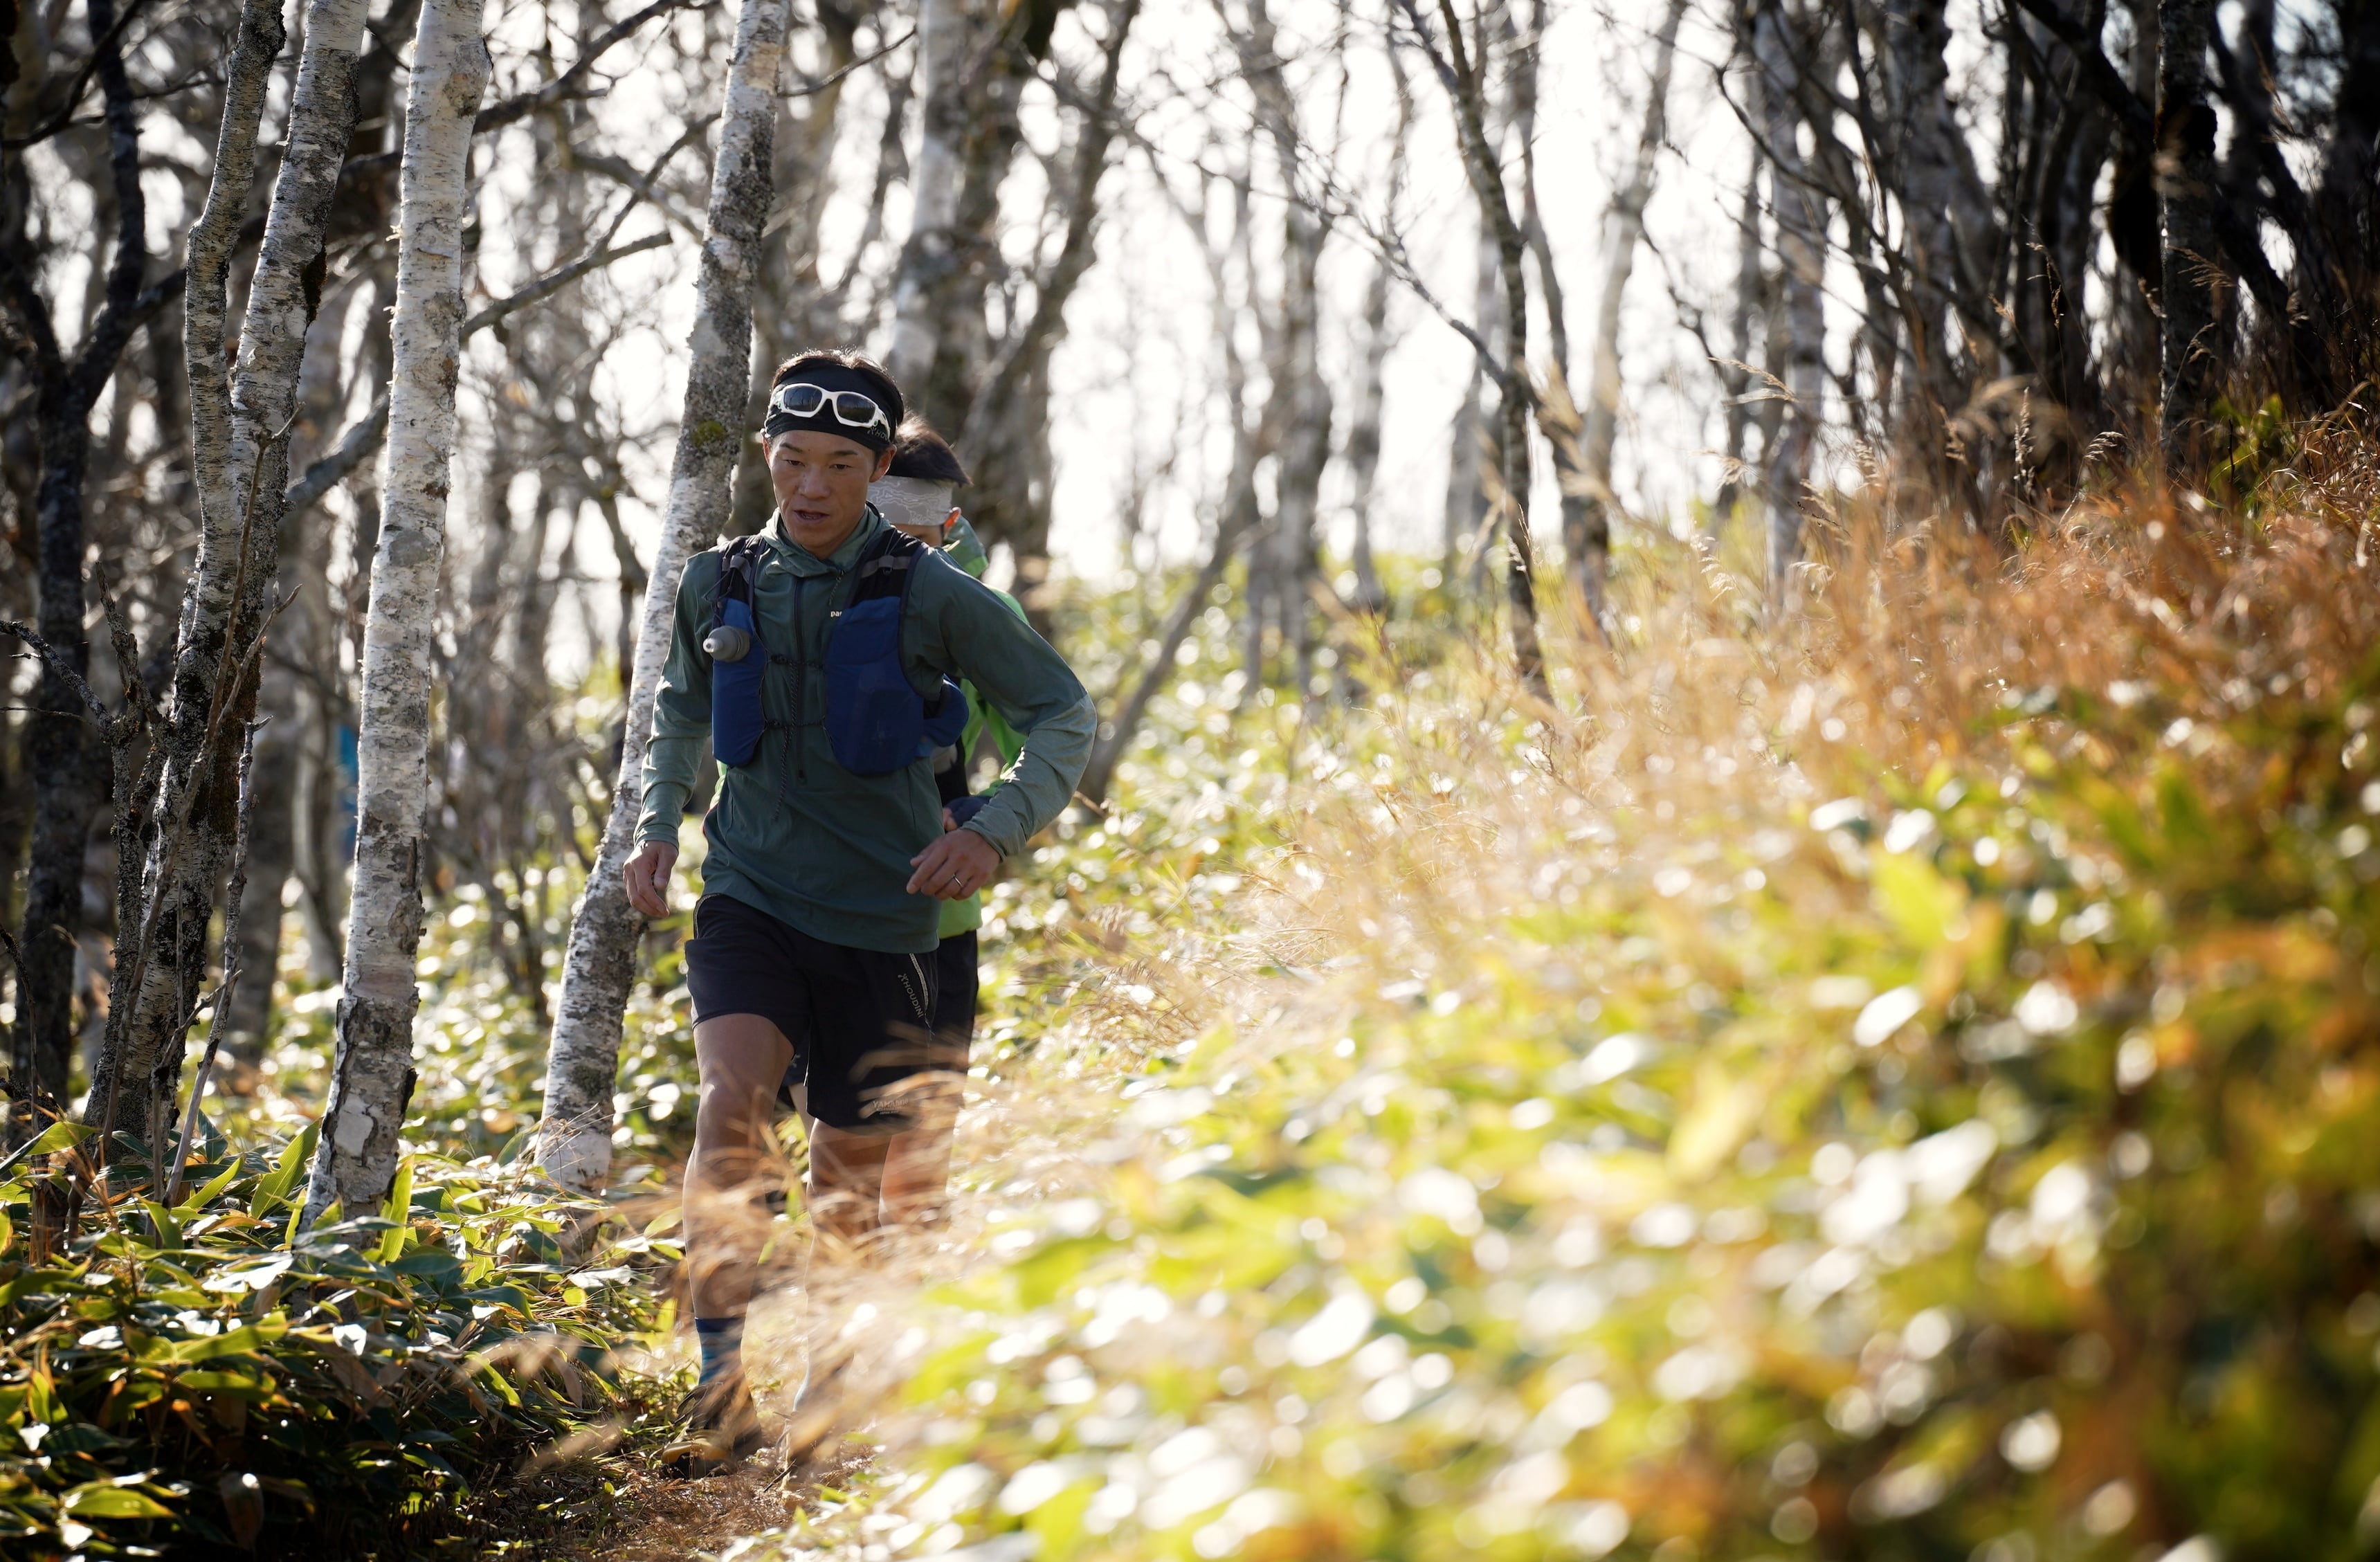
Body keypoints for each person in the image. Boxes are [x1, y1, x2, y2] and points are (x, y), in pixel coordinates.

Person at [624, 350, 1095, 1475]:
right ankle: (718, 1384)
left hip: (883, 922)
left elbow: (1059, 713)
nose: (812, 484)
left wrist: (988, 830)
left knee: (845, 1182)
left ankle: (826, 1396)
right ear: (768, 460)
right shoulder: (716, 580)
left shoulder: (937, 593)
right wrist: (655, 822)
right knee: (726, 1103)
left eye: (841, 464)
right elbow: (679, 710)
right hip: (747, 895)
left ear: (879, 469)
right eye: (792, 459)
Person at [866, 420, 1027, 1226]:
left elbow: (1040, 742)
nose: (898, 549)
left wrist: (974, 819)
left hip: (940, 907)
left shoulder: (982, 610)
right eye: (882, 526)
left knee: (923, 1133)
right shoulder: (787, 591)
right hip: (802, 898)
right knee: (831, 1134)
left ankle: (902, 1322)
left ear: (948, 526)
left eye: (915, 532)